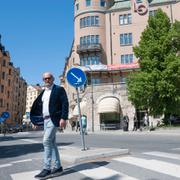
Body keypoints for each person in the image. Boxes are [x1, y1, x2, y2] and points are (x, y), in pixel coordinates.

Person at [30, 72, 69, 179]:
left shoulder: (59, 89)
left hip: (54, 119)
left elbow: (65, 104)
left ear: (52, 79)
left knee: (46, 141)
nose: (46, 80)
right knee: (52, 143)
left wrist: (63, 117)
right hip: (45, 120)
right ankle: (58, 167)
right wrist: (35, 121)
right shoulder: (43, 92)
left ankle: (47, 168)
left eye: (48, 78)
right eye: (44, 79)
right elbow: (38, 108)